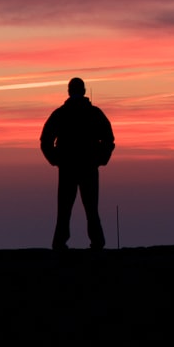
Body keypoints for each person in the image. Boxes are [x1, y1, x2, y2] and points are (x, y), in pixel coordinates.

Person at [40, 77, 115, 250]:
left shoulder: (60, 114)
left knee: (65, 209)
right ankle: (97, 243)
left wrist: (56, 159)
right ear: (83, 91)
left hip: (69, 168)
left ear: (69, 91)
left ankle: (60, 243)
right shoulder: (94, 113)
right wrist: (100, 159)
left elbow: (45, 141)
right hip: (86, 167)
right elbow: (108, 139)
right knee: (91, 209)